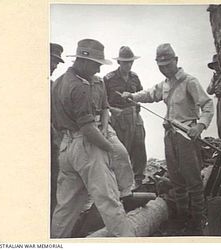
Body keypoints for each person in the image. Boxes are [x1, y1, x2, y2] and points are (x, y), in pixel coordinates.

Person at [122, 43, 214, 235]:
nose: (164, 68)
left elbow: (207, 104)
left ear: (176, 61)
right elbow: (149, 94)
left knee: (194, 182)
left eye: (167, 64)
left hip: (187, 137)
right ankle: (182, 219)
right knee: (176, 181)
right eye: (160, 65)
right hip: (169, 136)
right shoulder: (164, 84)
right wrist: (132, 96)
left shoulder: (190, 81)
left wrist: (200, 126)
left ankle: (197, 223)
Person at [51, 39, 135, 238]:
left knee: (66, 206)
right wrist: (107, 147)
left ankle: (54, 241)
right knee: (108, 199)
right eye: (96, 63)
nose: (99, 68)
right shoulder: (74, 86)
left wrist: (105, 129)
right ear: (83, 61)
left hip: (74, 145)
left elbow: (105, 107)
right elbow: (88, 129)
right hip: (86, 143)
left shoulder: (93, 80)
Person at [104, 46, 147, 188]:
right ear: (119, 62)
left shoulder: (135, 77)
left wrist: (137, 106)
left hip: (135, 115)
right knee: (122, 150)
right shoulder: (109, 79)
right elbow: (102, 102)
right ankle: (122, 185)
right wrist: (113, 110)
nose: (128, 65)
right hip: (119, 117)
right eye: (125, 62)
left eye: (130, 62)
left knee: (139, 146)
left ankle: (139, 180)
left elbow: (141, 93)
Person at [50, 43, 64, 218]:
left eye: (56, 63)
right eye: (51, 61)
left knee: (54, 182)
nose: (54, 66)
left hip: (51, 141)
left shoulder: (52, 86)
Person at [206, 54, 221, 139]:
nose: (216, 67)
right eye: (214, 65)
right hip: (220, 102)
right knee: (220, 124)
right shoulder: (215, 77)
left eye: (217, 64)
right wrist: (213, 80)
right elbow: (209, 91)